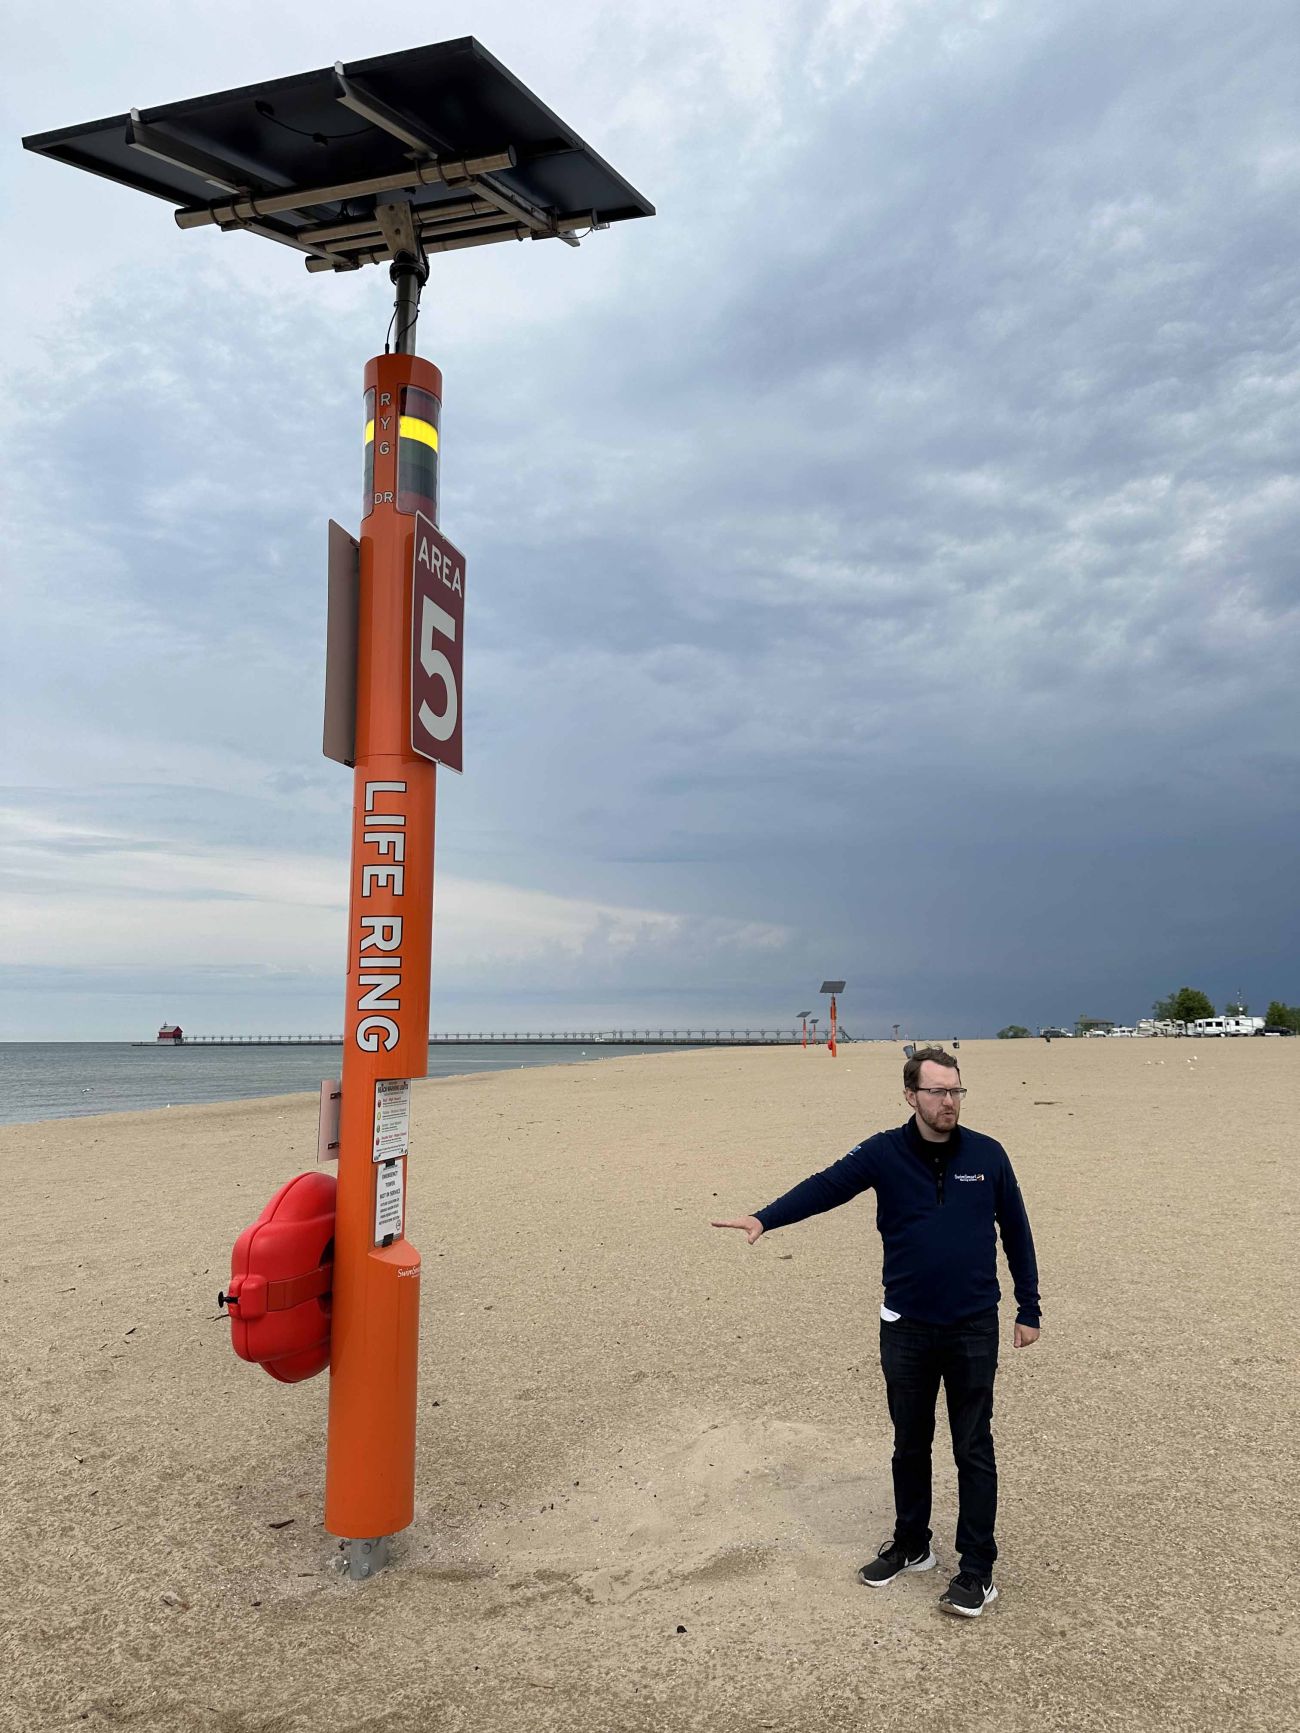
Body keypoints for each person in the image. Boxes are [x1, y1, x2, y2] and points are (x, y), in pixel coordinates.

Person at [712, 1045, 1041, 1618]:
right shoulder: (884, 1152)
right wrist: (765, 1217)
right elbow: (827, 1186)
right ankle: (913, 1543)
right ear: (911, 1096)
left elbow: (1017, 1230)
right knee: (909, 1443)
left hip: (972, 1327)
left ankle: (977, 1568)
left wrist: (1028, 1308)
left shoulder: (988, 1155)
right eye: (937, 1092)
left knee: (973, 1447)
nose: (948, 1102)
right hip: (906, 1327)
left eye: (956, 1091)